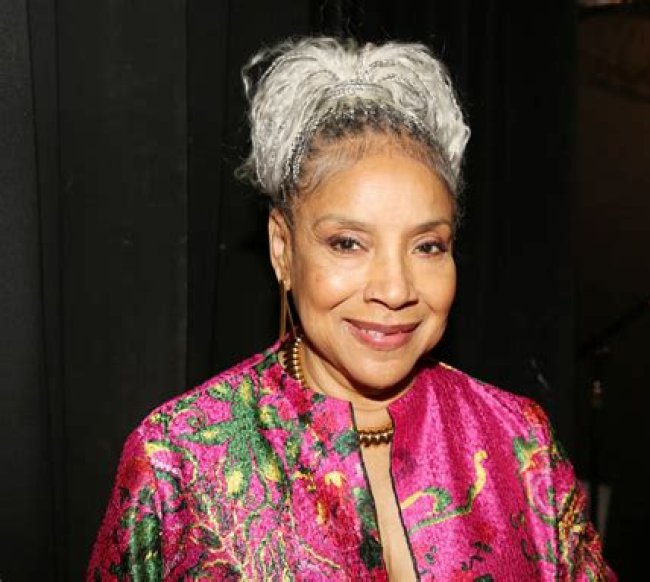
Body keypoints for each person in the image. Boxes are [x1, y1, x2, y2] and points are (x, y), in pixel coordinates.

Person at [89, 37, 614, 581]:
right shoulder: (179, 461)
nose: (395, 289)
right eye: (347, 243)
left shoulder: (519, 442)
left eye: (427, 246)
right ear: (282, 248)